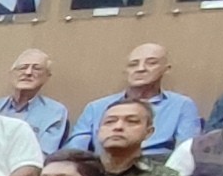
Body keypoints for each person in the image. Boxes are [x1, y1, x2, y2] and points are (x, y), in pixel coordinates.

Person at [60, 43, 200, 154]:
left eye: (151, 63)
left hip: (159, 170)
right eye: (133, 64)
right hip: (105, 168)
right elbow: (75, 150)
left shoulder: (182, 105)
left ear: (166, 69)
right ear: (126, 71)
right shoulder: (96, 107)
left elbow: (186, 152)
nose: (140, 69)